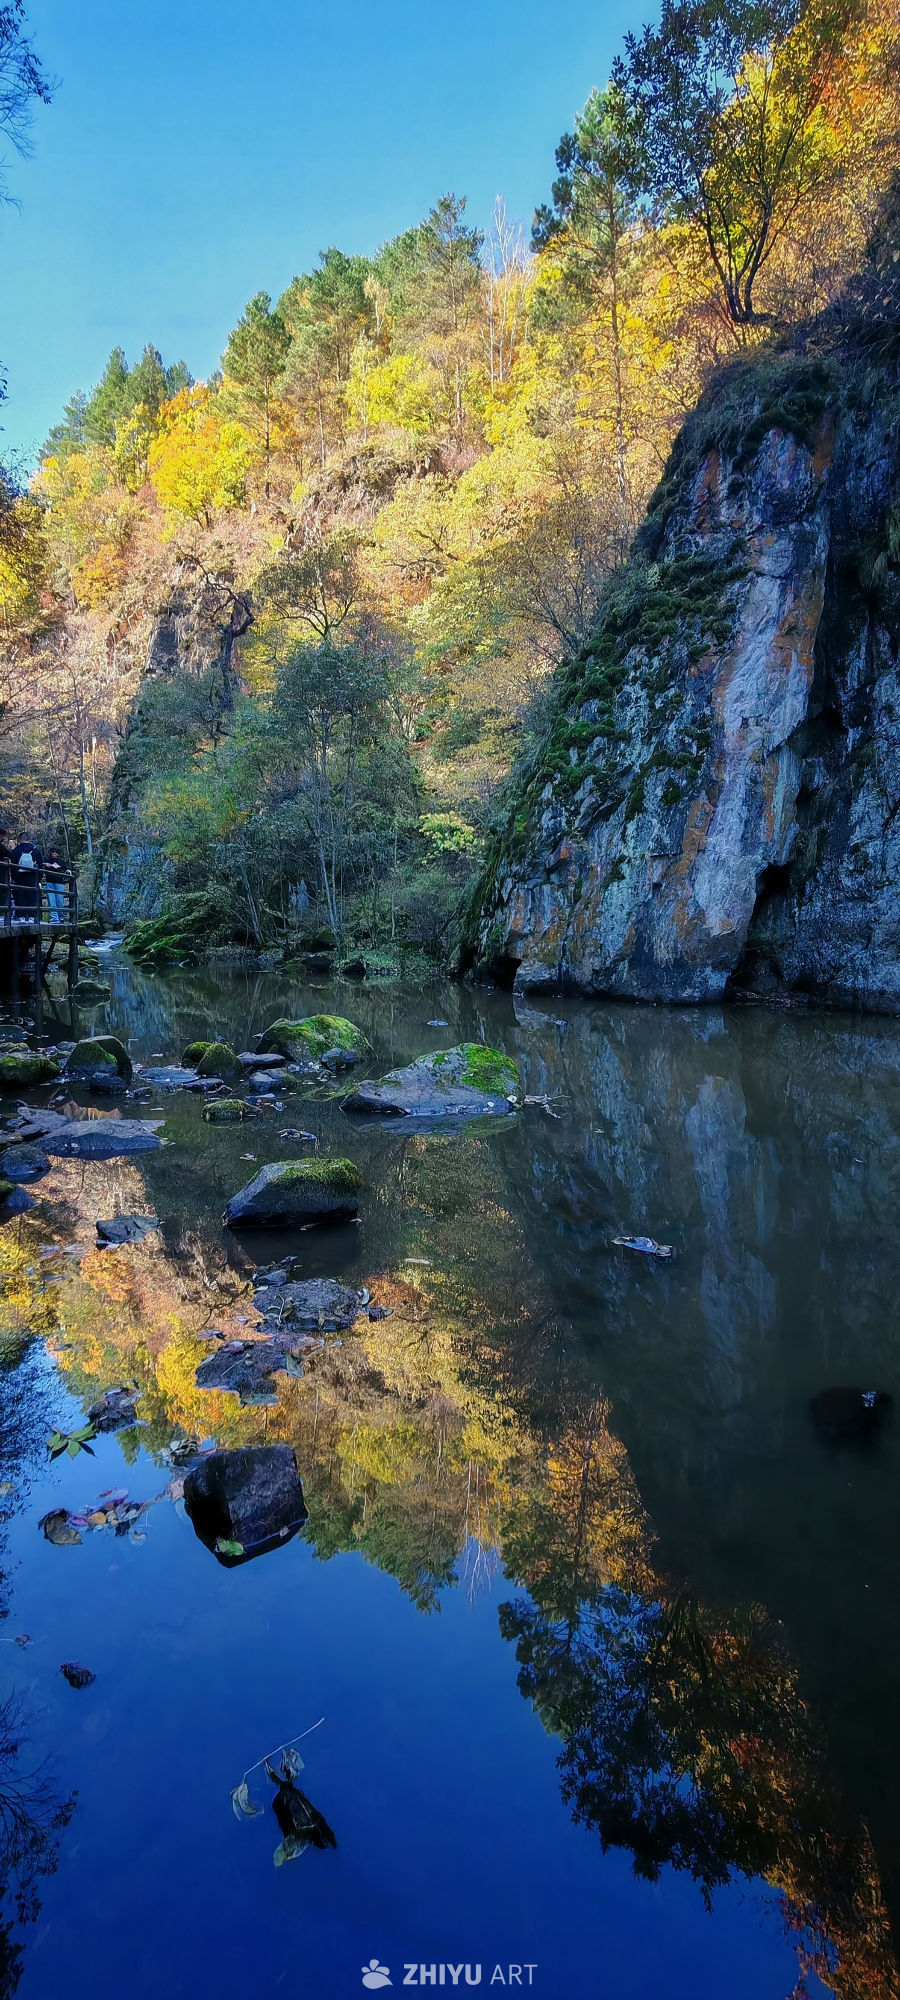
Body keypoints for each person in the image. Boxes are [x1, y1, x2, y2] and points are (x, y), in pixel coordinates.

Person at [10, 837, 43, 925]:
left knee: (20, 895)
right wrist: (39, 877)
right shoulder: (35, 850)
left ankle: (20, 916)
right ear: (28, 839)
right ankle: (32, 916)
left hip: (19, 876)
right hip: (32, 876)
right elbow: (40, 864)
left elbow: (13, 864)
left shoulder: (16, 850)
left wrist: (13, 877)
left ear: (20, 839)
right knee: (32, 895)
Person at [45, 847, 66, 924]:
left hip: (59, 883)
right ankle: (54, 918)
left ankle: (61, 917)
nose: (54, 853)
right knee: (51, 900)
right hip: (50, 882)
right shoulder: (47, 860)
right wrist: (50, 865)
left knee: (60, 901)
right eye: (53, 852)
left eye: (56, 852)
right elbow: (42, 865)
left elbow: (65, 870)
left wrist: (59, 867)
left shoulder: (61, 862)